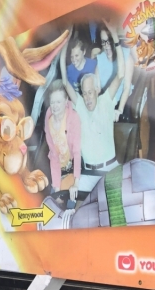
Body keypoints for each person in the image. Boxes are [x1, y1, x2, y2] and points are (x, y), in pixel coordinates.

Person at [63, 40, 125, 175]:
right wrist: (63, 50)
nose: (87, 98)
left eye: (90, 92)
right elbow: (64, 82)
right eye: (84, 94)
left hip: (110, 170)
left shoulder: (105, 101)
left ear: (96, 90)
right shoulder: (80, 106)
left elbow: (120, 74)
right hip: (88, 174)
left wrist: (116, 40)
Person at [43, 80, 81, 200]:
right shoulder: (48, 121)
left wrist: (76, 183)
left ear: (66, 101)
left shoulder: (73, 118)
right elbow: (54, 156)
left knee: (71, 203)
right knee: (53, 201)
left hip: (74, 168)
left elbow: (77, 153)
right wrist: (56, 188)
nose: (55, 106)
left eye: (58, 102)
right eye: (52, 102)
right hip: (58, 170)